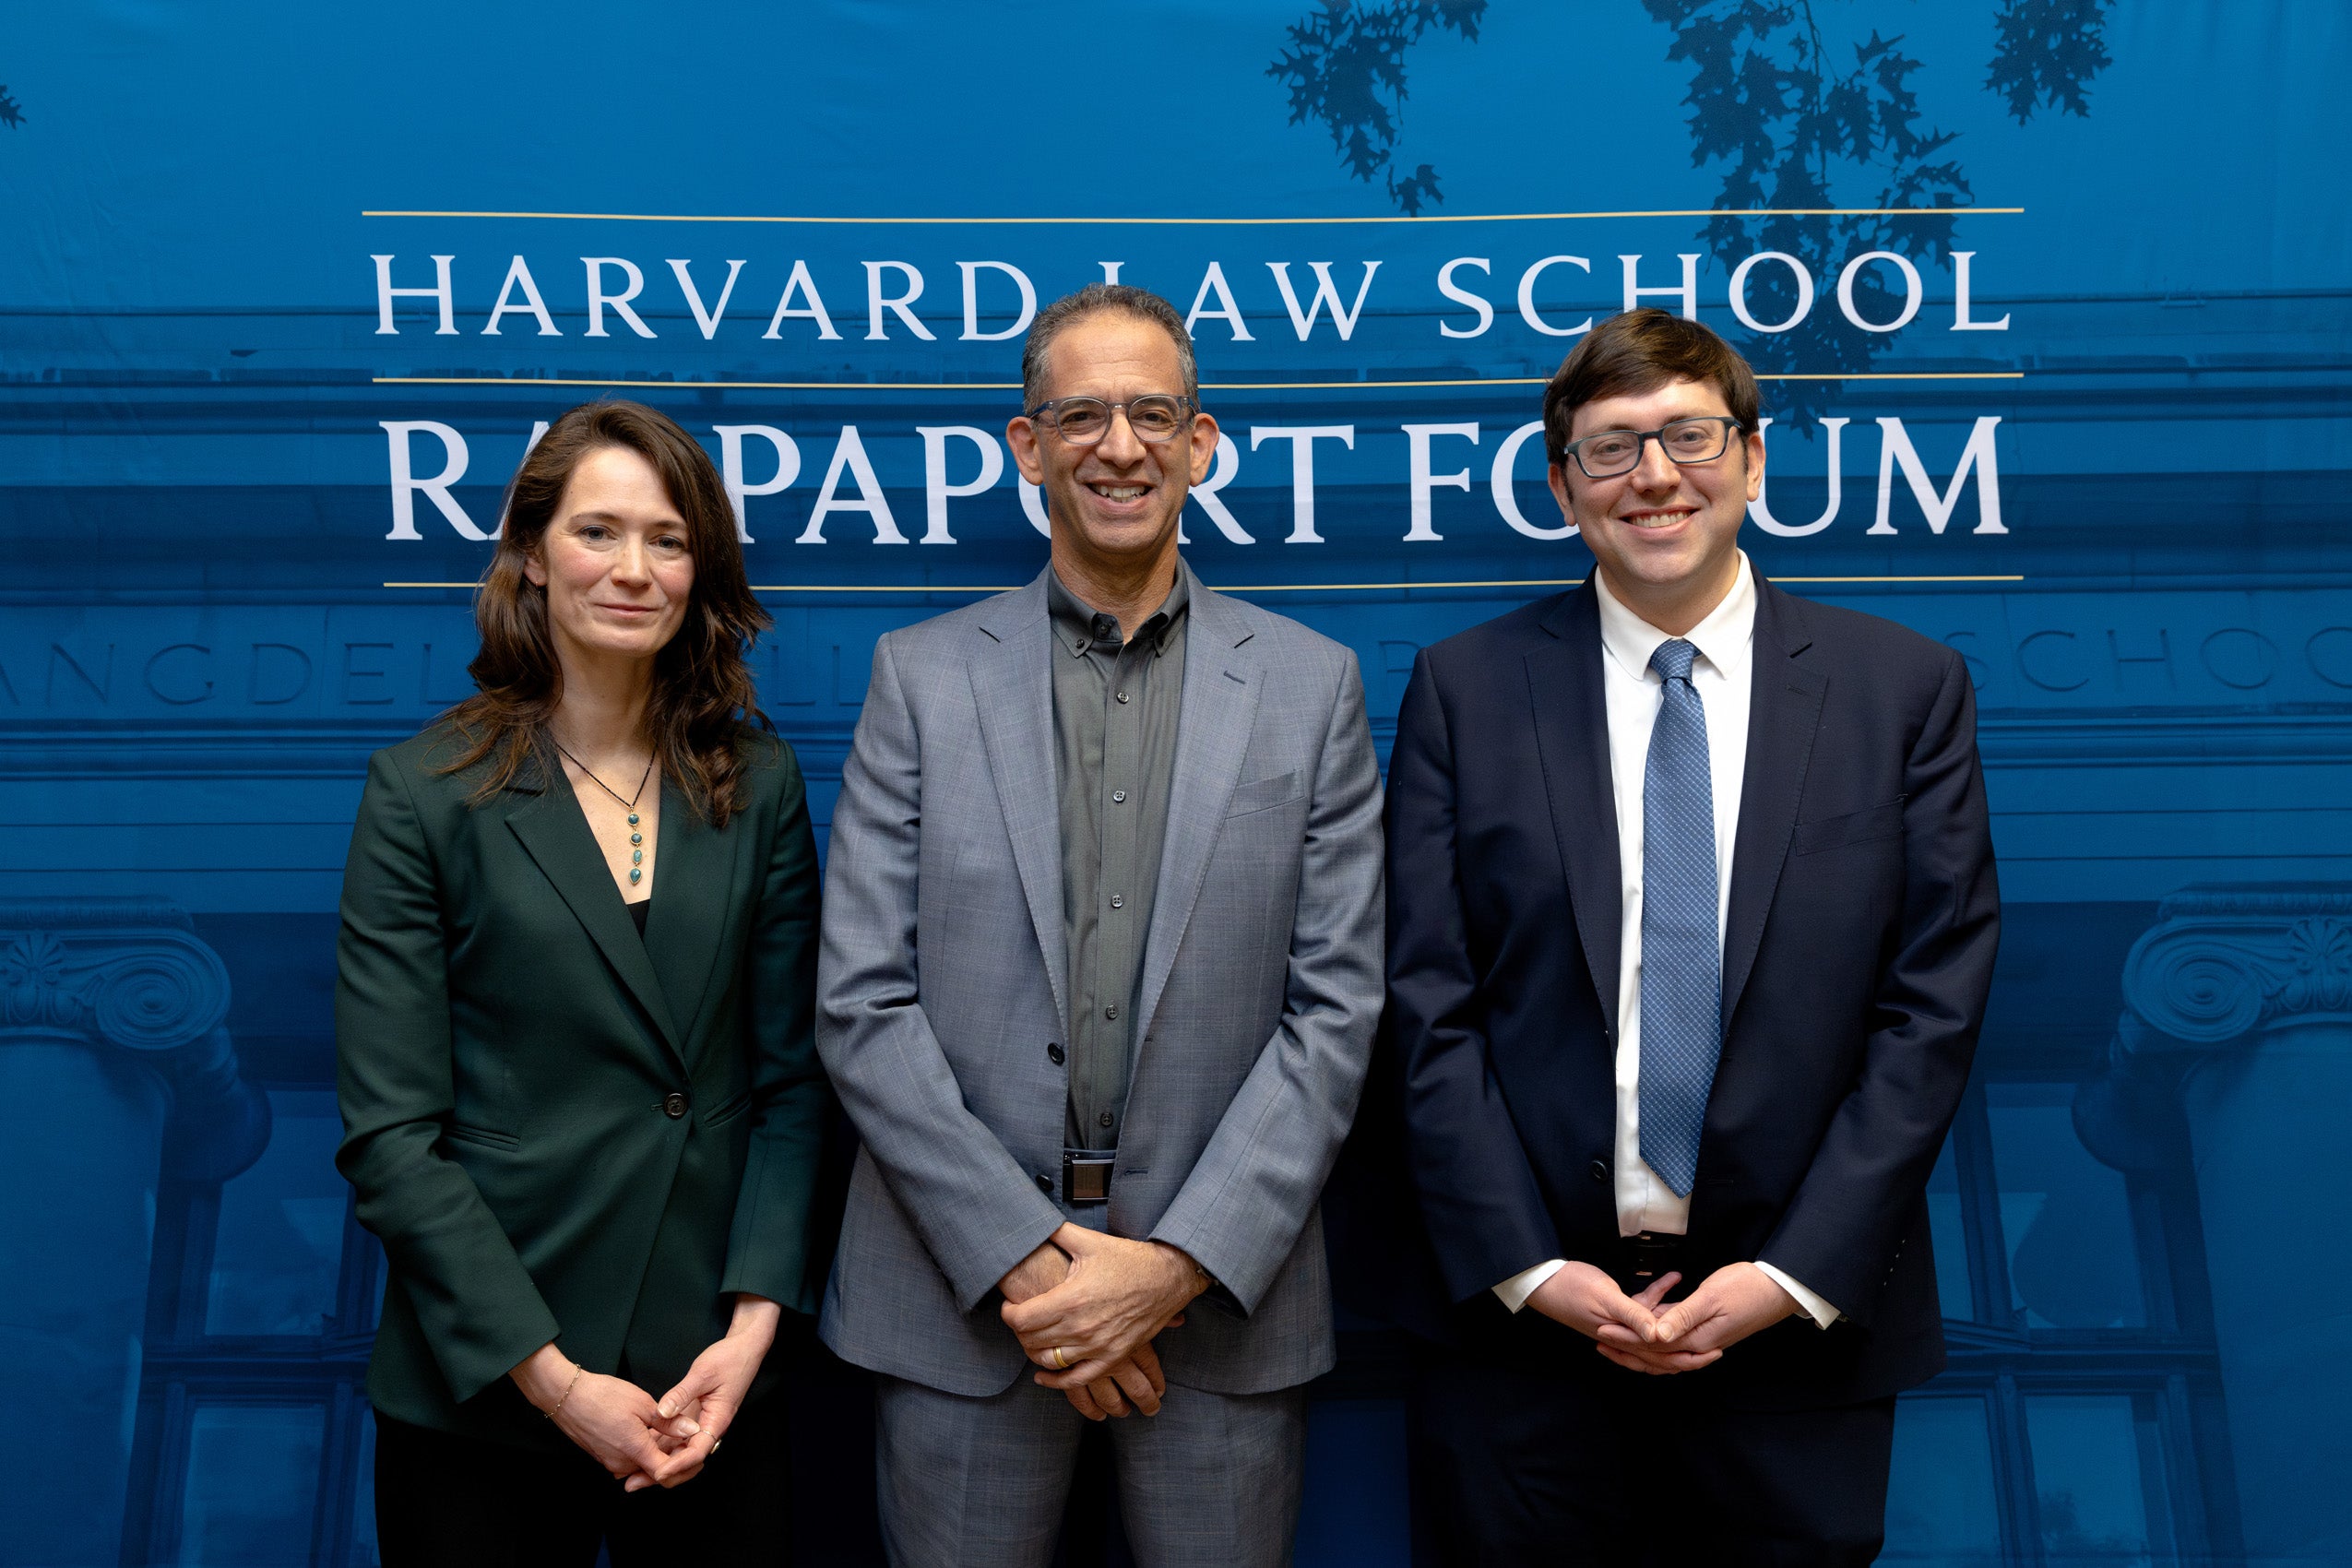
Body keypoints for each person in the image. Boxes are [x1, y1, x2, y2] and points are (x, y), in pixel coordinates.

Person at [1381, 309, 2000, 1562]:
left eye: (1688, 437)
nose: (1653, 477)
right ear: (1561, 486)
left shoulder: (1901, 691)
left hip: (1796, 1336)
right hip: (1525, 1345)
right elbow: (1420, 1003)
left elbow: (1930, 1007)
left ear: (1754, 461)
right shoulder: (1463, 690)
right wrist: (1527, 1269)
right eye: (1609, 449)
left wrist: (1786, 1277)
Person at [814, 284, 1384, 1568]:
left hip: (1219, 1314)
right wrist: (1029, 1267)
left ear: (1201, 441)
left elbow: (1335, 1012)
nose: (1116, 445)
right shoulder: (919, 676)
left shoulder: (1310, 687)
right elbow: (861, 1000)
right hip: (963, 1310)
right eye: (1080, 414)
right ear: (1028, 444)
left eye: (1150, 413)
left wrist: (1169, 1269)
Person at [335, 400, 827, 1564]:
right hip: (489, 1386)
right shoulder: (423, 791)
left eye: (667, 538)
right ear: (531, 551)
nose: (633, 568)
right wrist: (557, 1384)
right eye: (597, 531)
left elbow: (793, 1089)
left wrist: (749, 1334)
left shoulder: (759, 783)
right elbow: (393, 1139)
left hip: (710, 1387)